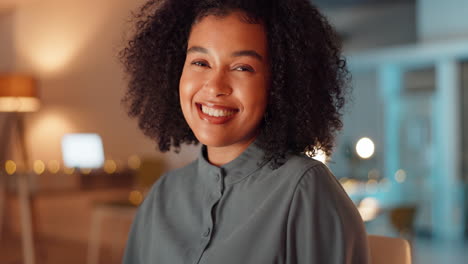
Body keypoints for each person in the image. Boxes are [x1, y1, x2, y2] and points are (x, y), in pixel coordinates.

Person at [120, 0, 369, 263]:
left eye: (242, 68)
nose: (215, 86)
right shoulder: (161, 196)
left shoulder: (306, 191)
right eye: (201, 62)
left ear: (279, 84)